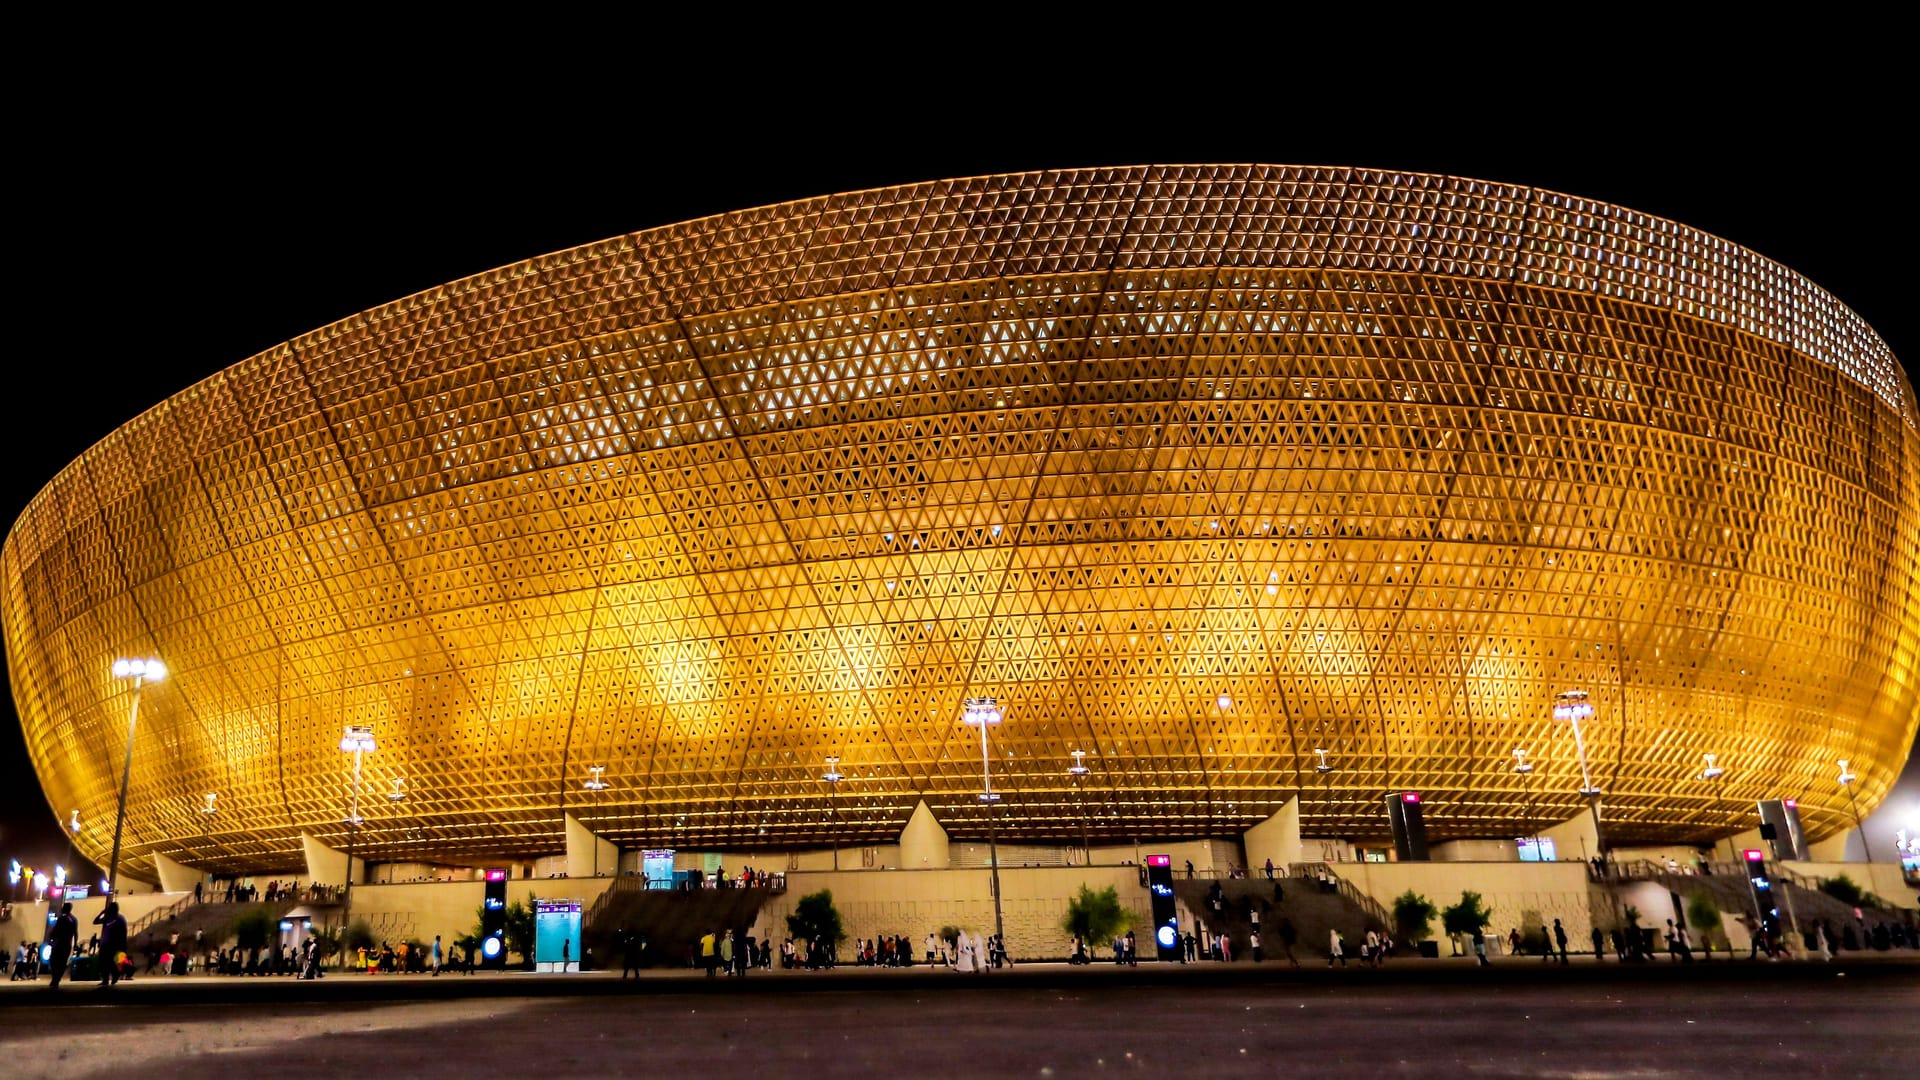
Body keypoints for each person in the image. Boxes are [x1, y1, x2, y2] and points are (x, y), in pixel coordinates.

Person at [94, 901, 128, 987]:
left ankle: (113, 975)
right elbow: (95, 921)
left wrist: (122, 943)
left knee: (108, 960)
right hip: (105, 942)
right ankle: (107, 978)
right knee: (104, 961)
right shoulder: (108, 917)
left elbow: (123, 931)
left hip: (112, 943)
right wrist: (101, 913)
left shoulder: (119, 918)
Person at [47, 902, 79, 991]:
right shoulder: (73, 919)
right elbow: (75, 933)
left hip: (59, 943)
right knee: (61, 962)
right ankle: (57, 979)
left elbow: (55, 930)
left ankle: (55, 978)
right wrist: (75, 943)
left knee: (54, 960)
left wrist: (50, 939)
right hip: (66, 944)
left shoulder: (62, 918)